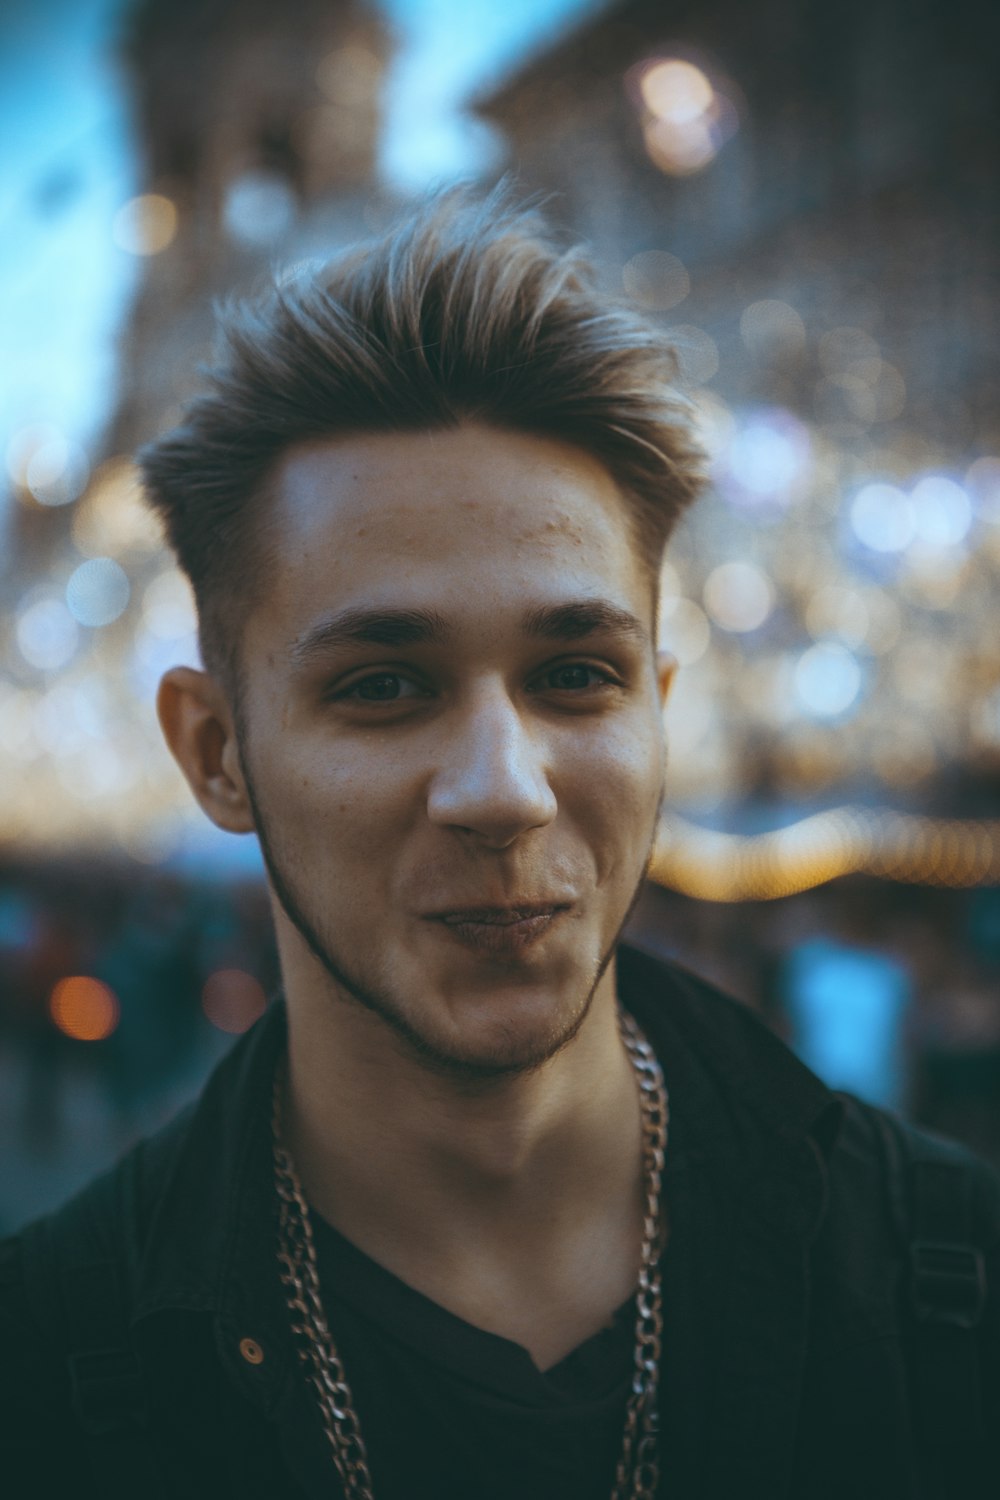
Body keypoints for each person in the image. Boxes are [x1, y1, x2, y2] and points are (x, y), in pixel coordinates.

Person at [1, 191, 997, 1500]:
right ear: (216, 753)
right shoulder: (48, 1372)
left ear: (661, 714)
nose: (504, 789)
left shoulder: (953, 1286)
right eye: (382, 688)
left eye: (578, 674)